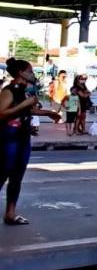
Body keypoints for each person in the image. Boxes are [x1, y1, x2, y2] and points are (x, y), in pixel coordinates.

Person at [0, 58, 61, 226]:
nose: (33, 75)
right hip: (8, 137)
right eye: (31, 71)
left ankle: (10, 214)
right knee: (3, 173)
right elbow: (2, 113)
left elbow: (29, 109)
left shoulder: (26, 91)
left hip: (22, 137)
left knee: (17, 176)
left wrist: (48, 113)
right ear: (21, 73)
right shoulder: (9, 90)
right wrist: (24, 105)